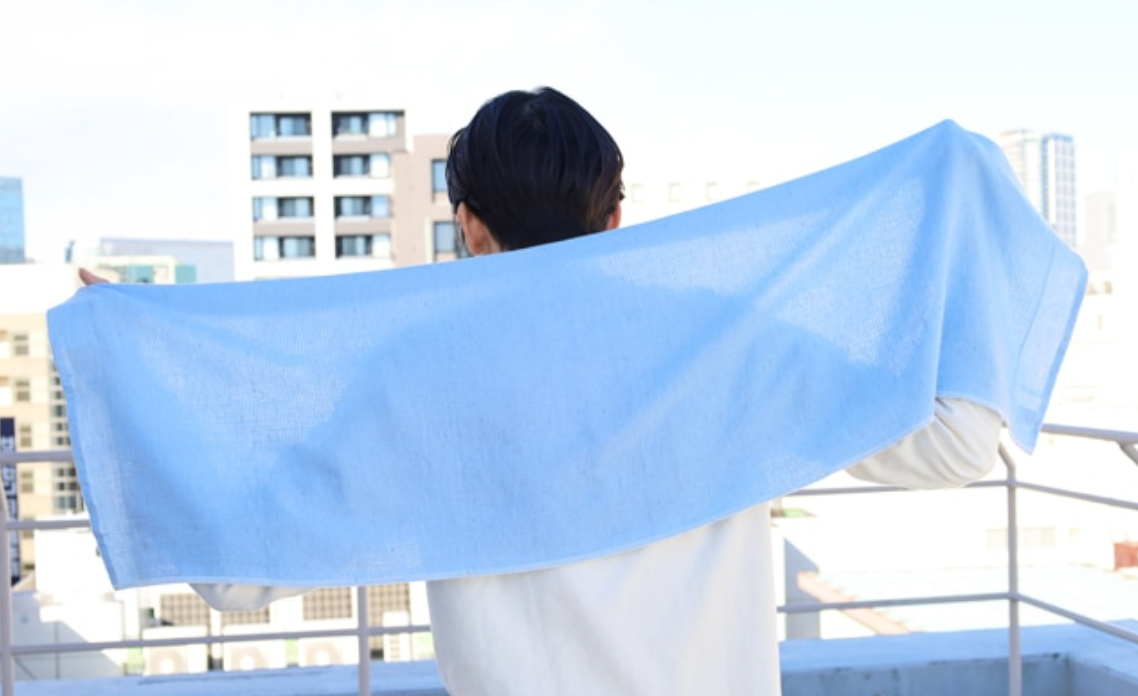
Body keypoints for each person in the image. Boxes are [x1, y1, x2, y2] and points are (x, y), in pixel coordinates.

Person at [83, 87, 1002, 695]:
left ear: (470, 227)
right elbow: (961, 442)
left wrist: (135, 371)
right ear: (615, 217)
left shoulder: (414, 376)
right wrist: (971, 225)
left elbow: (232, 577)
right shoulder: (724, 340)